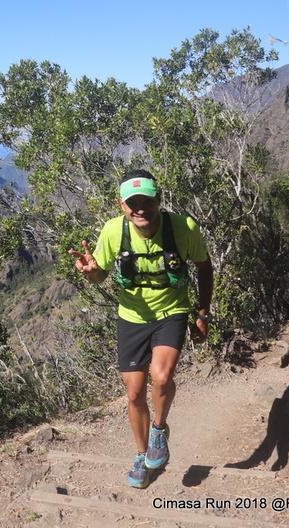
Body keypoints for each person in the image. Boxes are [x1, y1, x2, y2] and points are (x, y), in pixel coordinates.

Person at [69, 169, 213, 489]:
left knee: (161, 376)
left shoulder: (183, 228)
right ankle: (141, 454)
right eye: (132, 203)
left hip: (172, 310)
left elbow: (204, 267)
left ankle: (159, 430)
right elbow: (100, 276)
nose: (140, 209)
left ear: (158, 199)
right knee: (134, 393)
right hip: (132, 317)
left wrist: (202, 314)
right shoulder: (113, 231)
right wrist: (91, 273)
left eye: (146, 201)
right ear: (122, 205)